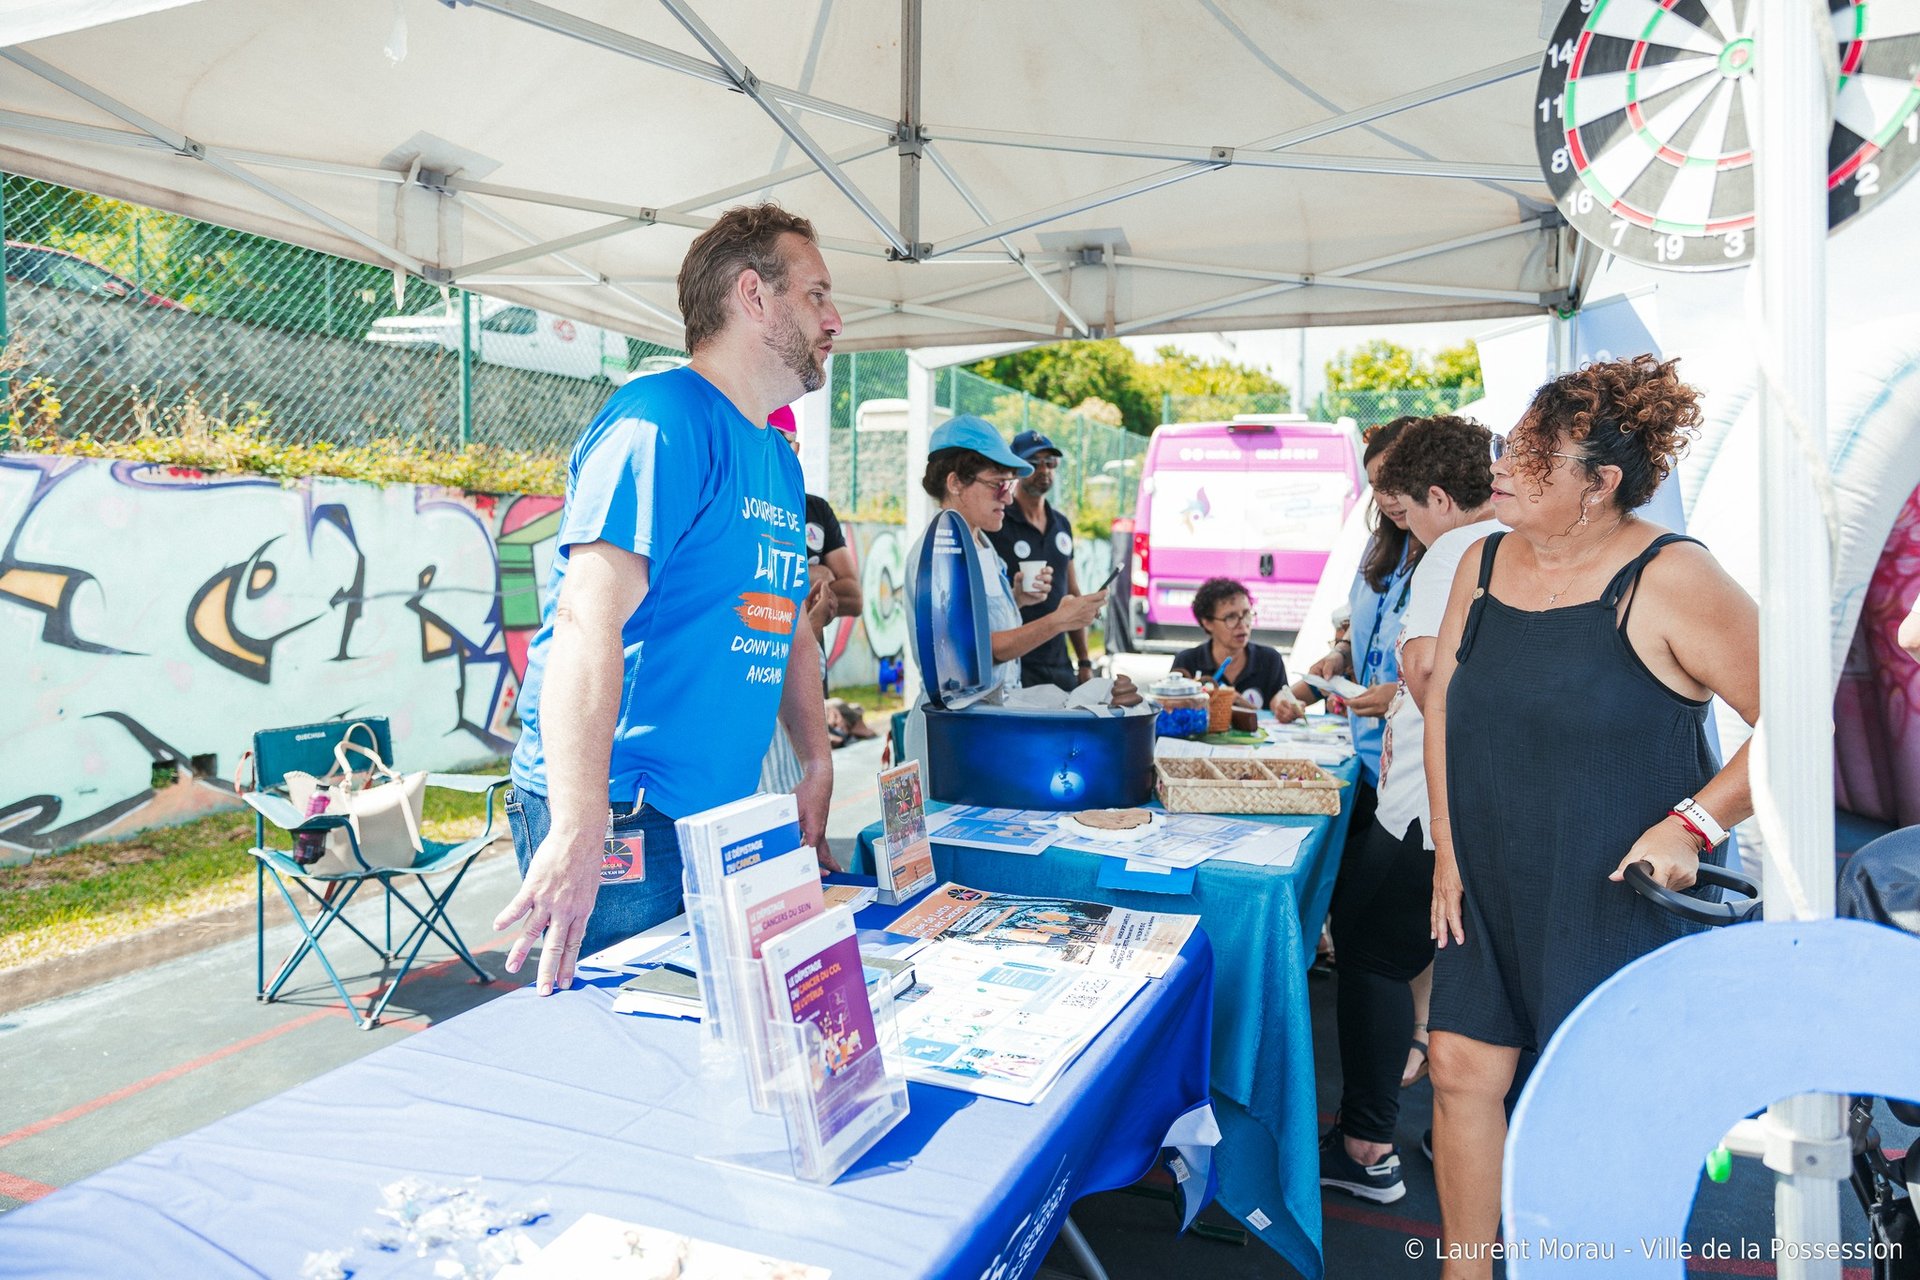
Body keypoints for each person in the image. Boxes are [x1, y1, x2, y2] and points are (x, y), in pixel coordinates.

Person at [1423, 356, 1758, 1277]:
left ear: (1600, 483)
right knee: (1459, 1070)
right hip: (1486, 875)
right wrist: (1447, 849)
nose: (1500, 464)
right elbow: (1444, 700)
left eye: (1533, 454)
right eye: (1510, 443)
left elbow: (1802, 723)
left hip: (1614, 891)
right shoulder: (1480, 561)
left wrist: (1693, 825)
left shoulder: (1673, 575)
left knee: (1600, 1107)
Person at [496, 203, 840, 998]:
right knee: (618, 1044)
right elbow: (585, 620)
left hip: (717, 810)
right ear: (754, 295)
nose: (834, 319)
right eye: (816, 295)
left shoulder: (777, 458)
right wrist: (579, 821)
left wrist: (818, 760)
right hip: (624, 812)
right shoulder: (661, 422)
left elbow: (787, 624)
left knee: (709, 1029)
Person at [1320, 415, 1502, 1205]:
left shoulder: (1452, 553)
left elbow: (1428, 679)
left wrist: (1402, 692)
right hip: (1469, 806)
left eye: (1406, 508)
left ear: (1438, 496)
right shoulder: (1515, 545)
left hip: (1425, 809)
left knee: (1371, 954)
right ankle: (1463, 1137)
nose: (1406, 527)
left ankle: (1366, 1148)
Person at [903, 416, 1137, 738]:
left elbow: (975, 620)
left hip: (984, 724)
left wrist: (1016, 600)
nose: (1008, 498)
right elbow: (976, 651)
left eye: (1010, 485)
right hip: (953, 734)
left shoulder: (982, 545)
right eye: (998, 485)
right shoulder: (943, 552)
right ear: (955, 483)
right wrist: (1059, 620)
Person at [985, 430, 1093, 692]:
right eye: (1034, 463)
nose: (1044, 470)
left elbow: (1071, 592)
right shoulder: (997, 523)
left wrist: (1084, 661)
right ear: (1016, 470)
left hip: (1059, 663)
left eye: (1050, 462)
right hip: (1016, 661)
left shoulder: (1061, 524)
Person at [769, 405, 862, 654]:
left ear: (796, 449)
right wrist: (815, 575)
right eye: (766, 438)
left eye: (782, 441)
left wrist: (785, 582)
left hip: (810, 659)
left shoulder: (816, 509)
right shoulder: (736, 507)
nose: (773, 451)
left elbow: (854, 598)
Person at [1170, 577, 1303, 720]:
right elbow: (1172, 711)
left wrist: (1284, 706)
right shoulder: (1188, 661)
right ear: (1207, 622)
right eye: (1231, 617)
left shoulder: (1269, 659)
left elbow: (1279, 698)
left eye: (1246, 614)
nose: (1242, 624)